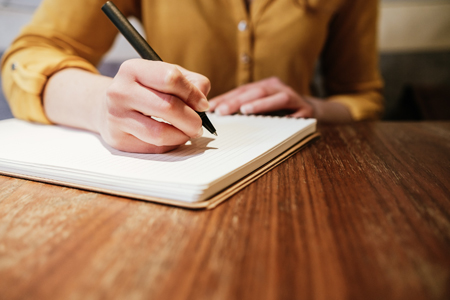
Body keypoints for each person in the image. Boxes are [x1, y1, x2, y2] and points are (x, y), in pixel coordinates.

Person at [1, 0, 383, 153]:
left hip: (301, 164)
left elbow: (364, 96)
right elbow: (27, 56)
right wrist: (102, 106)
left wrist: (315, 106)